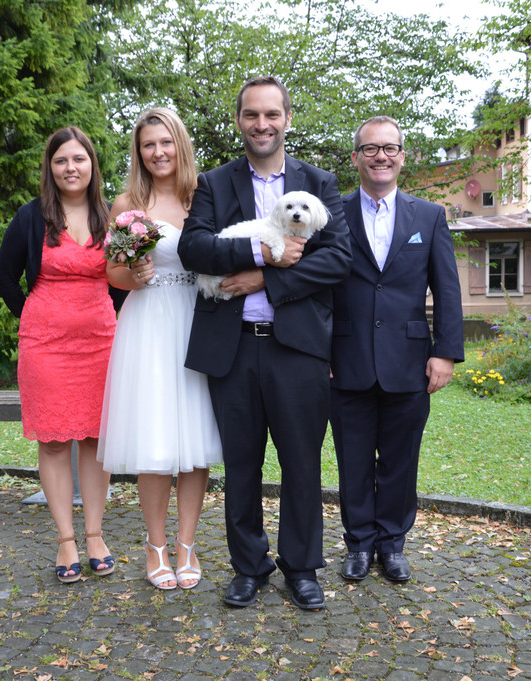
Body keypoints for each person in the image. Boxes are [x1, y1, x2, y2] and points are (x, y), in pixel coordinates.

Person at [177, 76, 352, 610]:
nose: (262, 124)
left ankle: (301, 567)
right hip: (233, 348)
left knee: (301, 462)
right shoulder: (214, 183)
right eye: (252, 114)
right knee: (241, 464)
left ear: (287, 119)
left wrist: (267, 282)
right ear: (239, 121)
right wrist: (260, 256)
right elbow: (194, 248)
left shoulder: (318, 182)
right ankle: (249, 567)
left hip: (296, 348)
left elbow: (337, 258)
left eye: (271, 114)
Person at [329, 115, 464, 584]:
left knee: (401, 460)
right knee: (353, 460)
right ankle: (358, 544)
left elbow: (447, 289)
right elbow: (319, 288)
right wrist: (320, 353)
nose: (380, 156)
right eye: (370, 148)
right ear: (356, 157)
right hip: (344, 361)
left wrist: (445, 352)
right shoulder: (332, 213)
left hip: (410, 361)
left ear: (403, 157)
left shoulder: (428, 216)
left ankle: (392, 544)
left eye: (389, 148)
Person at [98, 108, 222, 591]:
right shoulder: (128, 203)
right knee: (153, 437)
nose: (158, 152)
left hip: (197, 319)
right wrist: (134, 275)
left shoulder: (203, 196)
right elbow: (112, 272)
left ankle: (187, 544)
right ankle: (156, 546)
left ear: (180, 144)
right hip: (148, 322)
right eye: (148, 144)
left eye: (165, 142)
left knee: (196, 436)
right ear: (139, 152)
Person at [0, 126, 125, 585]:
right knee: (52, 442)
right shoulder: (31, 217)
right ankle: (66, 540)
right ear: (50, 168)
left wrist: (106, 316)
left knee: (94, 440)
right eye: (61, 160)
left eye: (79, 159)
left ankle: (95, 536)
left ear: (92, 165)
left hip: (101, 344)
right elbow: (5, 280)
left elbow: (123, 281)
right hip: (45, 347)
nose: (71, 168)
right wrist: (36, 318)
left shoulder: (112, 217)